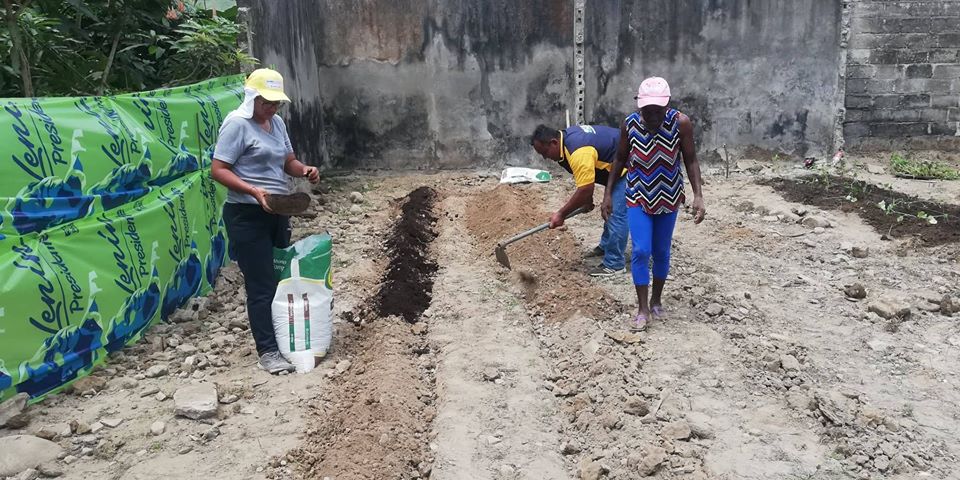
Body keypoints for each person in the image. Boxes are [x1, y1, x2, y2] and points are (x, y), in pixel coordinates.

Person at [211, 68, 320, 374]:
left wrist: (304, 170)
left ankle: (284, 338)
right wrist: (253, 191)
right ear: (252, 98)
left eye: (276, 103)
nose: (272, 108)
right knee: (261, 284)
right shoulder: (237, 124)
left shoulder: (277, 123)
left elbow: (288, 161)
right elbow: (218, 169)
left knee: (280, 279)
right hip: (246, 214)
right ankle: (268, 351)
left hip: (277, 209)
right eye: (267, 102)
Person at [602, 77, 705, 331]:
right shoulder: (630, 124)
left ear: (667, 105)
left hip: (669, 195)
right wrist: (607, 194)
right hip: (638, 194)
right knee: (640, 250)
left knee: (661, 251)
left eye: (658, 111)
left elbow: (691, 159)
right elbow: (620, 159)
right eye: (647, 111)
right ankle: (642, 308)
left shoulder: (681, 123)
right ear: (640, 106)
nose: (653, 116)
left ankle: (656, 299)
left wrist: (698, 195)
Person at [531, 124, 628, 277]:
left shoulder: (577, 151)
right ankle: (606, 247)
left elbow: (585, 189)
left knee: (615, 213)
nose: (545, 157)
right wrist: (586, 201)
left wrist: (561, 214)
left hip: (630, 166)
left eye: (545, 152)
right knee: (609, 208)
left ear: (554, 142)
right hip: (615, 167)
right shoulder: (566, 141)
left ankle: (615, 264)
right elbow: (587, 181)